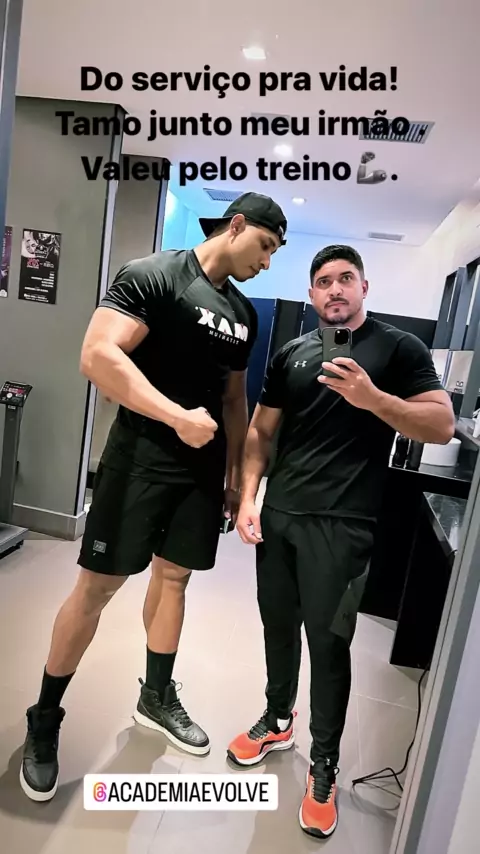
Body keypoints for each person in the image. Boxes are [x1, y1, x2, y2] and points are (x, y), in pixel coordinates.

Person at [20, 191, 288, 802]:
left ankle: (156, 695)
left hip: (200, 474)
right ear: (237, 225)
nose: (267, 262)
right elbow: (97, 355)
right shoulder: (155, 275)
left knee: (175, 580)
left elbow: (234, 400)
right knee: (96, 588)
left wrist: (233, 476)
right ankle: (45, 716)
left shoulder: (243, 314)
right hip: (139, 461)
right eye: (265, 246)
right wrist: (175, 416)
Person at [228, 244, 455, 839]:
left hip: (344, 524)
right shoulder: (292, 352)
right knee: (278, 626)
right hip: (280, 516)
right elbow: (261, 432)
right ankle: (278, 719)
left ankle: (323, 763)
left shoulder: (398, 349)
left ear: (364, 288)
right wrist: (249, 498)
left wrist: (373, 399)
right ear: (311, 294)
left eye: (345, 279)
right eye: (324, 281)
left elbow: (441, 424)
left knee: (329, 646)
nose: (335, 289)